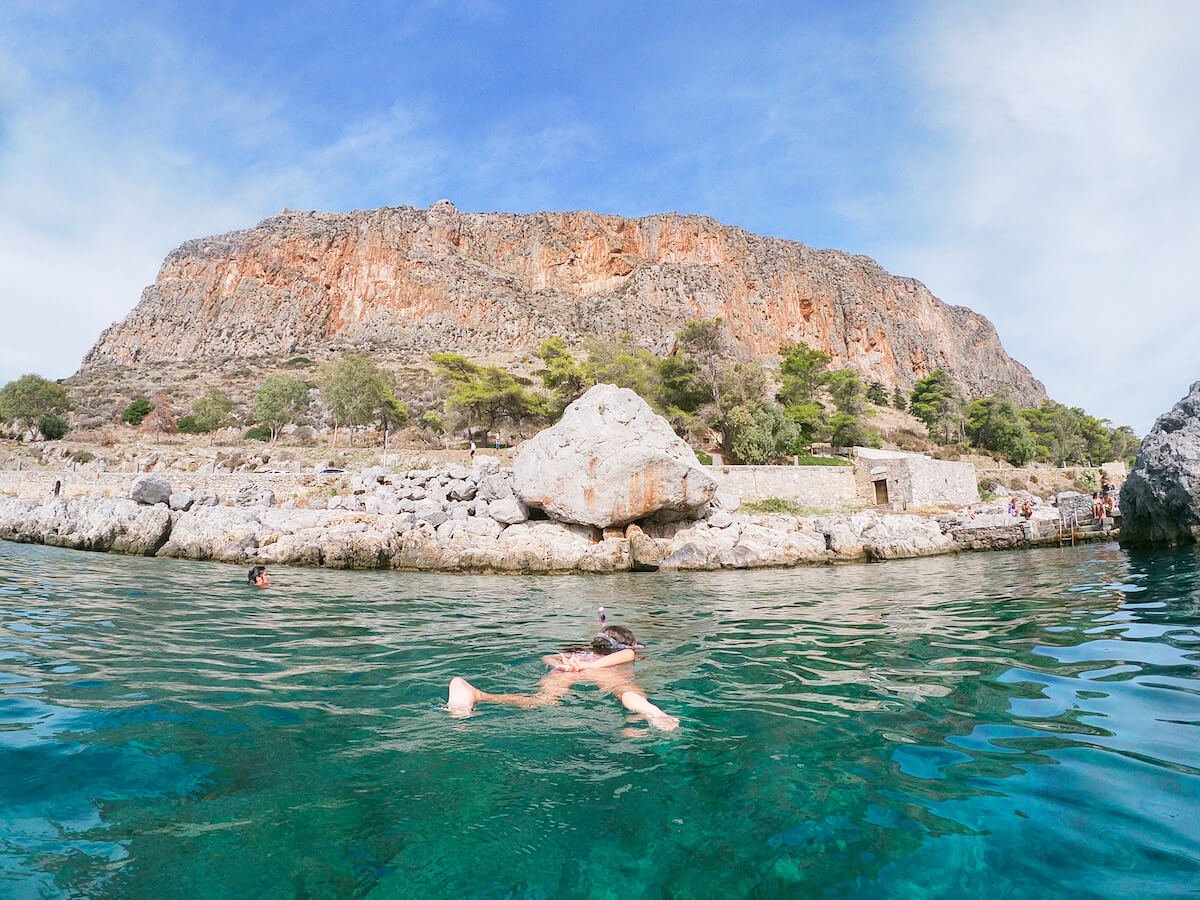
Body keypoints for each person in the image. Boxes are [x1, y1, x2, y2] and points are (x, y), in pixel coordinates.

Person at [447, 608, 679, 731]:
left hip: (570, 670)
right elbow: (628, 654)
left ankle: (476, 694)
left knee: (542, 700)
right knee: (627, 691)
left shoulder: (577, 655)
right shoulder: (624, 654)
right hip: (600, 672)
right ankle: (653, 713)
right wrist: (588, 666)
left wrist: (566, 664)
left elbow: (546, 657)